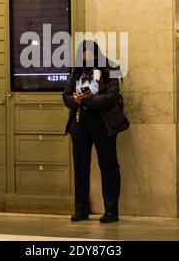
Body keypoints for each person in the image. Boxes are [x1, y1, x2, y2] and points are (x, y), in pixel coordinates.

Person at [62, 40, 129, 223]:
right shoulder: (76, 71)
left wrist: (89, 100)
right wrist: (75, 100)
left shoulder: (111, 68)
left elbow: (113, 96)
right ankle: (81, 210)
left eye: (90, 54)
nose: (87, 57)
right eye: (83, 54)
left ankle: (111, 212)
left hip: (103, 123)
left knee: (108, 166)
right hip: (79, 122)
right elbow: (65, 96)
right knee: (80, 167)